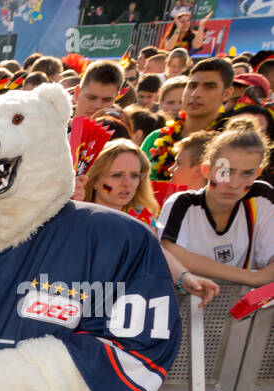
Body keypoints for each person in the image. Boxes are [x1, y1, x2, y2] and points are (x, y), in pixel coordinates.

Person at [159, 119, 274, 287]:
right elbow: (168, 253)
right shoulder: (183, 203)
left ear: (258, 173)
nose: (234, 184)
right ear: (206, 169)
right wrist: (250, 277)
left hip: (242, 310)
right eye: (225, 171)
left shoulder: (261, 197)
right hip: (187, 307)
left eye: (247, 173)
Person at [145, 57, 234, 181]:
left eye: (209, 87)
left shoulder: (228, 145)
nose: (196, 94)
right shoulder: (155, 138)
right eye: (192, 86)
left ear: (227, 94)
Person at [83, 140, 158, 225]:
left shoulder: (144, 220)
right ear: (94, 180)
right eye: (117, 175)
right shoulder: (77, 218)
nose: (127, 183)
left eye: (134, 175)